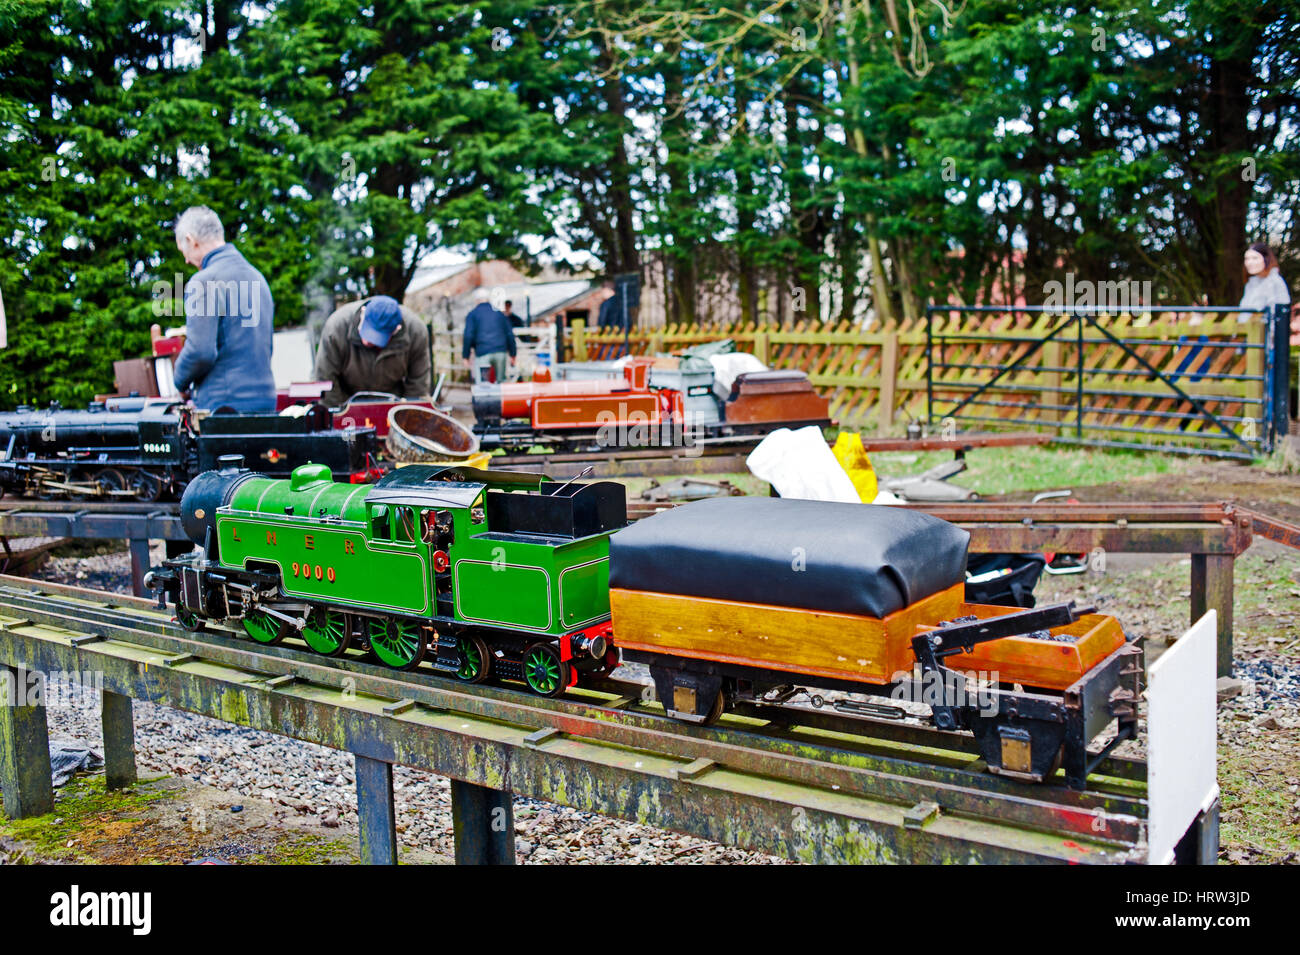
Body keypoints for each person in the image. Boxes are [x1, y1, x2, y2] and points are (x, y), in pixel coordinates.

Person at [172, 206, 275, 412]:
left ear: (192, 241)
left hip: (225, 409)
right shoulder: (258, 278)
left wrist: (180, 381)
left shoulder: (203, 281)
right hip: (266, 403)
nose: (186, 260)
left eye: (184, 252)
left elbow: (199, 352)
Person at [313, 295, 431, 407]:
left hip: (392, 402)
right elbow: (325, 378)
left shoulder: (415, 332)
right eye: (367, 330)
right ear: (363, 313)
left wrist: (407, 414)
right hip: (346, 399)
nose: (366, 341)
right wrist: (338, 414)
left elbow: (418, 384)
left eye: (377, 338)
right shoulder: (337, 327)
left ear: (395, 331)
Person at [462, 288, 516, 382]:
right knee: (501, 383)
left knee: (482, 385)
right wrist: (513, 354)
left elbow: (468, 335)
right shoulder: (499, 313)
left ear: (476, 300)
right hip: (500, 351)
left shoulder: (473, 314)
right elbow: (509, 334)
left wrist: (466, 356)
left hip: (482, 352)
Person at [1238, 242, 1291, 319]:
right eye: (1247, 259)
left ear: (1266, 258)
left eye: (1255, 258)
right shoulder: (1250, 284)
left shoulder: (1275, 282)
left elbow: (1277, 316)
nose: (1249, 262)